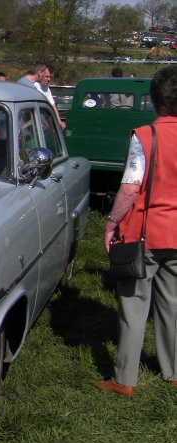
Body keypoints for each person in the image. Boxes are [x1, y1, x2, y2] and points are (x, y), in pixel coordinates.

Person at [95, 65, 177, 397]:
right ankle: (173, 371)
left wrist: (111, 223)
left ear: (154, 100)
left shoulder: (145, 136)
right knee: (173, 304)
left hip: (145, 234)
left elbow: (130, 189)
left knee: (133, 305)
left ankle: (125, 379)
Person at [34, 65, 66, 130]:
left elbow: (52, 104)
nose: (49, 79)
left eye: (50, 77)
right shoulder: (35, 85)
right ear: (40, 75)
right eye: (47, 77)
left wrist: (59, 121)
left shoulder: (46, 87)